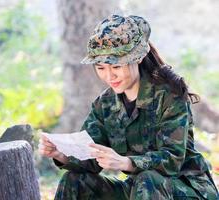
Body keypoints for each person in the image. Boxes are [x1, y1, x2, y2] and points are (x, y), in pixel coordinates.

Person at [39, 14, 219, 199]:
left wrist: (126, 163)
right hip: (141, 191)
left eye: (116, 67)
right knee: (74, 180)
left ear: (137, 58)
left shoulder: (169, 96)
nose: (109, 76)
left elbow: (172, 159)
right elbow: (91, 157)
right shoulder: (105, 104)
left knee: (147, 178)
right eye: (101, 68)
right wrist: (61, 154)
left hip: (188, 190)